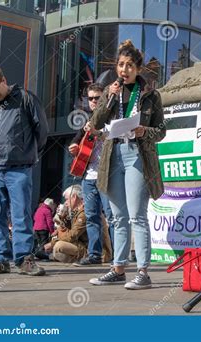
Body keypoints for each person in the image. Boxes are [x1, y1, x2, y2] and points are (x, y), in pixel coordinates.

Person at [89, 40, 165, 289]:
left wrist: (144, 131)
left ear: (138, 68)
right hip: (113, 155)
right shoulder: (111, 92)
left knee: (136, 215)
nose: (124, 70)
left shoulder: (151, 95)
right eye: (121, 65)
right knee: (118, 217)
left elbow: (162, 131)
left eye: (130, 65)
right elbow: (96, 123)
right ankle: (118, 268)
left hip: (137, 154)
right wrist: (108, 98)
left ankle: (143, 272)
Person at [0, 66, 48, 276]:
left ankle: (24, 259)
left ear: (4, 80)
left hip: (19, 169)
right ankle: (0, 258)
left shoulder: (25, 99)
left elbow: (41, 130)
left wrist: (29, 154)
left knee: (20, 214)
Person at [68, 83, 114, 266]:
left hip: (107, 174)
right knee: (92, 216)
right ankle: (94, 255)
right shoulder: (87, 119)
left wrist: (99, 132)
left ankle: (117, 255)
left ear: (104, 97)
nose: (94, 101)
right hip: (88, 176)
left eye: (97, 97)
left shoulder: (112, 117)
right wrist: (73, 147)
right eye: (91, 98)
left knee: (112, 217)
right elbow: (76, 140)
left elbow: (116, 138)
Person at [45, 185, 112, 264]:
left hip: (100, 253)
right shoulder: (76, 211)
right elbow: (67, 229)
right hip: (84, 245)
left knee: (59, 245)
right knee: (58, 249)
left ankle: (83, 258)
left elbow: (73, 235)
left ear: (74, 197)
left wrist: (53, 243)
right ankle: (67, 258)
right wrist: (63, 217)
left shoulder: (84, 211)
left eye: (67, 199)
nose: (66, 203)